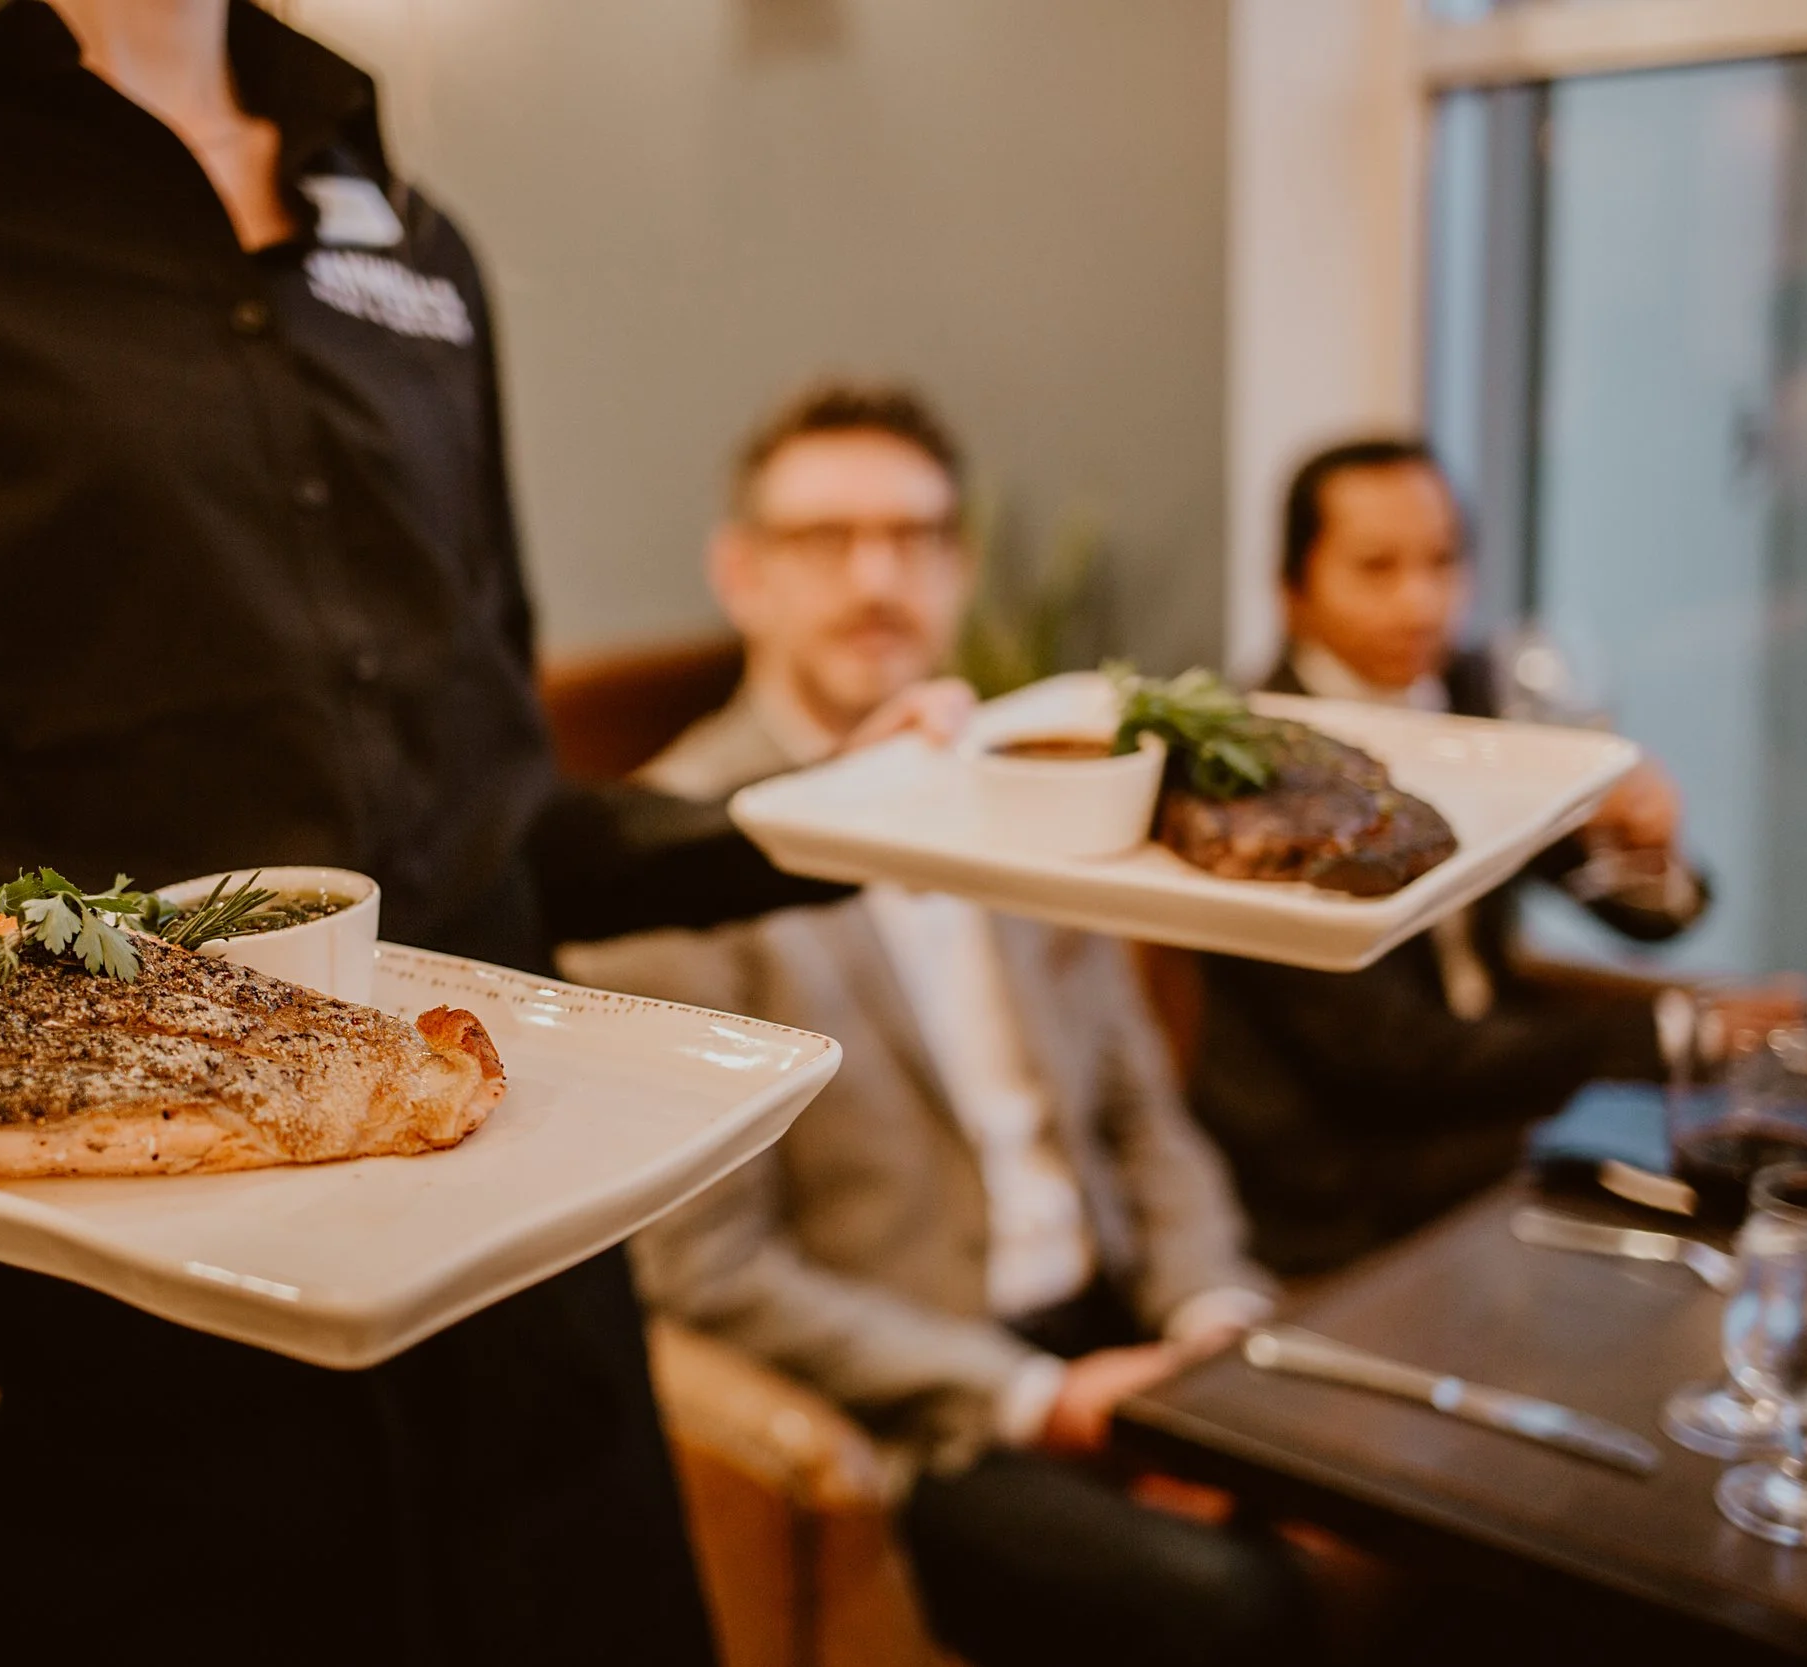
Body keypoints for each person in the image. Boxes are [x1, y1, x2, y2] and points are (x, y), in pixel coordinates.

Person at [0, 6, 956, 1660]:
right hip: (132, 1345)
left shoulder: (415, 239)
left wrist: (857, 804)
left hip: (530, 1304)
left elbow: (501, 818)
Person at [564, 381, 1313, 1667]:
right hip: (929, 1408)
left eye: (914, 538)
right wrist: (1045, 1400)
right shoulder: (665, 861)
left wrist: (1208, 1323)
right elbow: (707, 1273)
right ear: (741, 575)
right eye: (824, 541)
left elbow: (1141, 1110)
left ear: (958, 568)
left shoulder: (1026, 784)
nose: (877, 577)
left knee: (1404, 1514)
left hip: (1126, 1322)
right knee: (1243, 1607)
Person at [1187, 438, 1710, 1274]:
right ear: (1293, 589)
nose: (1421, 602)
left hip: (1483, 1116)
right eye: (1377, 567)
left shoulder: (1476, 697)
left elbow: (1643, 915)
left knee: (1730, 1163)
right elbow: (1392, 1059)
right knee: (1687, 1160)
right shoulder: (1250, 765)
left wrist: (1643, 841)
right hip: (1342, 1181)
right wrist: (1674, 1030)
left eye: (1443, 561)